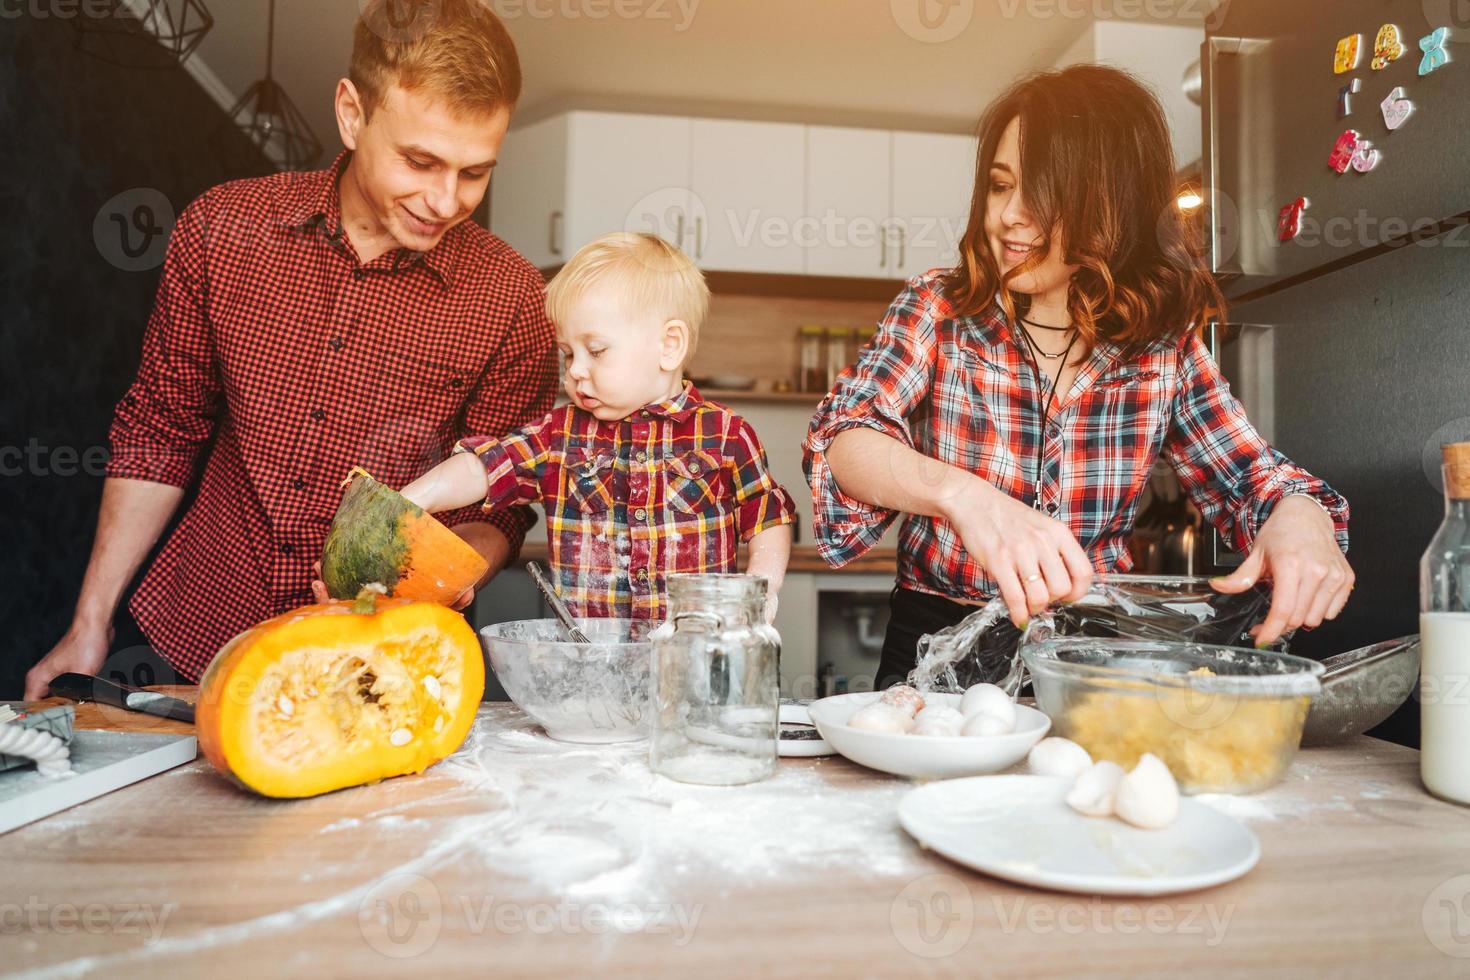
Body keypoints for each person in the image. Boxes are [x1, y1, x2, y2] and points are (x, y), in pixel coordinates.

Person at [24, 0, 556, 698]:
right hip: (203, 636)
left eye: (474, 172)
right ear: (351, 113)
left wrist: (437, 585)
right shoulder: (221, 229)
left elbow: (503, 506)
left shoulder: (513, 298)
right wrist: (88, 621)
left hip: (385, 660)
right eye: (420, 161)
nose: (444, 199)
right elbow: (162, 426)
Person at [803, 65, 1353, 689]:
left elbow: (1253, 476)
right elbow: (846, 435)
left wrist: (1299, 515)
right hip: (935, 643)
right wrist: (966, 497)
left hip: (1087, 659)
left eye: (1040, 194)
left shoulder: (1161, 347)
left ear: (1112, 205)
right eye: (1000, 186)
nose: (1009, 216)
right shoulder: (939, 307)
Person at [400, 232, 796, 621]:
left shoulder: (726, 435)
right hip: (591, 664)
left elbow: (767, 516)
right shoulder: (559, 435)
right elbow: (485, 466)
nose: (574, 370)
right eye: (568, 353)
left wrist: (763, 588)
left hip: (692, 663)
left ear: (669, 346)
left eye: (596, 351)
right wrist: (411, 501)